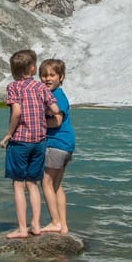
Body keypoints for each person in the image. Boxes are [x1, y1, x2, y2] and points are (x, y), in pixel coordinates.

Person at [0, 49, 59, 239]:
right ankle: (36, 225)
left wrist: (8, 134)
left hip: (20, 141)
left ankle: (22, 228)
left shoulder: (14, 87)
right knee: (32, 183)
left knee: (18, 184)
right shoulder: (42, 88)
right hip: (40, 141)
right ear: (33, 68)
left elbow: (16, 112)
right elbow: (55, 109)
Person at [38, 58, 75, 235]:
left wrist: (38, 122)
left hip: (56, 144)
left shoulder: (56, 96)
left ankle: (54, 222)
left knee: (45, 182)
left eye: (52, 75)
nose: (47, 78)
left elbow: (57, 121)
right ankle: (63, 225)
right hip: (66, 145)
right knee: (57, 186)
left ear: (61, 77)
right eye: (44, 75)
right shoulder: (57, 94)